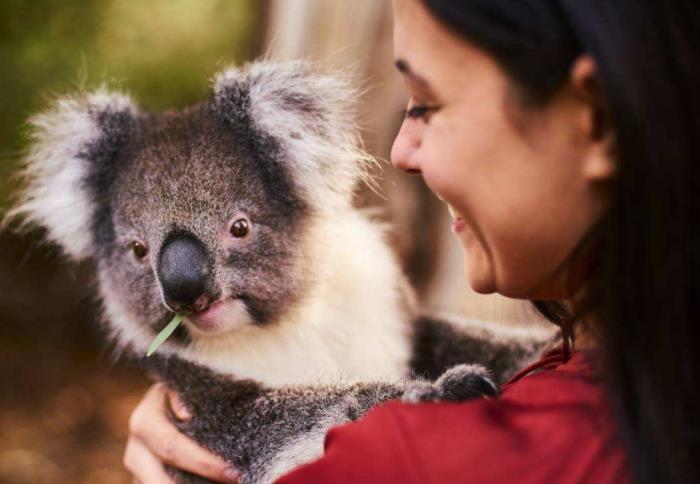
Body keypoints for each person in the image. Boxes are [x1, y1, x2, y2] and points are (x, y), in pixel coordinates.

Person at [123, 0, 700, 483]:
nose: (399, 151)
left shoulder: (404, 460)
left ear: (594, 120)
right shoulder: (641, 368)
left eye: (425, 103)